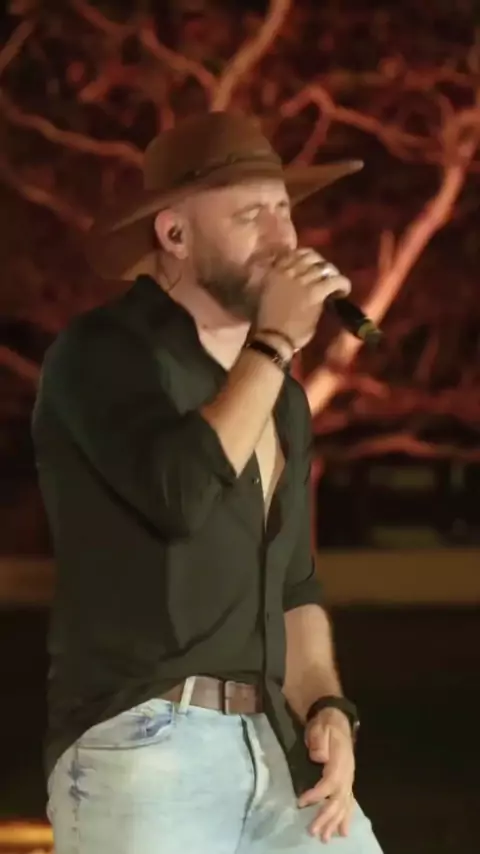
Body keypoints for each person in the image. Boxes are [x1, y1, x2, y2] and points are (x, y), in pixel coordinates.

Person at [32, 111, 383, 854]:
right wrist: (276, 339)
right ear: (175, 234)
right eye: (251, 216)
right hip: (143, 741)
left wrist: (327, 704)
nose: (284, 238)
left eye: (284, 210)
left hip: (273, 746)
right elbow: (179, 495)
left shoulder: (284, 399)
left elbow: (294, 587)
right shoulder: (102, 354)